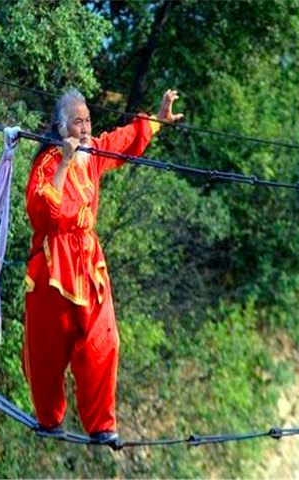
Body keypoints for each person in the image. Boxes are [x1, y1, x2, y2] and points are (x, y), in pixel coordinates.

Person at [21, 88, 183, 446]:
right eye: (77, 122)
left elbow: (121, 141)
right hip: (53, 266)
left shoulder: (93, 154)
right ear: (61, 129)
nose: (85, 129)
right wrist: (64, 162)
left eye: (88, 121)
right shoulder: (47, 163)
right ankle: (49, 418)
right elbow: (44, 214)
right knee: (47, 348)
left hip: (89, 264)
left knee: (103, 343)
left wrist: (157, 120)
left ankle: (101, 424)